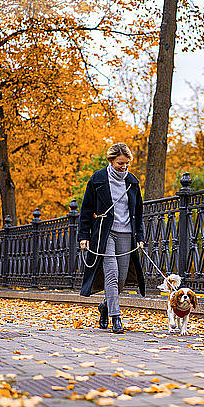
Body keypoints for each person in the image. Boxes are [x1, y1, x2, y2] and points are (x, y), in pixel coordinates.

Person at [78, 143, 145, 333]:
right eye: (120, 163)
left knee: (121, 278)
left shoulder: (132, 182)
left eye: (127, 164)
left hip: (126, 234)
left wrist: (139, 236)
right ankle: (116, 317)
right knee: (111, 274)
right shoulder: (97, 179)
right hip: (105, 234)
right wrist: (84, 236)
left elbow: (138, 211)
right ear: (111, 160)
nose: (124, 167)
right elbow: (86, 210)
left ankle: (104, 306)